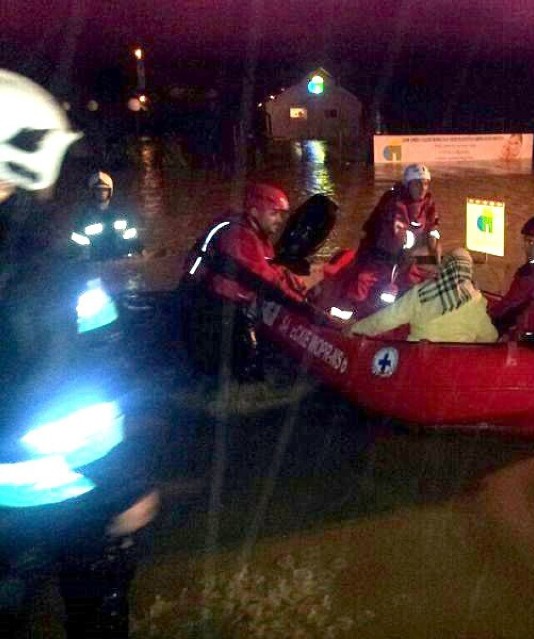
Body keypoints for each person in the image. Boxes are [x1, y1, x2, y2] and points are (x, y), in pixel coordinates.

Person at [1, 69, 158, 638]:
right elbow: (55, 394)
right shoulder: (43, 266)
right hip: (60, 490)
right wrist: (123, 483)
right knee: (97, 608)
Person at [182, 182, 306, 379]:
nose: (280, 220)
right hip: (208, 309)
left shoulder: (252, 233)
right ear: (255, 212)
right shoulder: (236, 235)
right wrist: (306, 308)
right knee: (244, 365)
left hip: (216, 305)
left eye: (282, 215)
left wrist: (295, 283)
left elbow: (269, 268)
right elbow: (265, 280)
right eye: (274, 214)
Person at [345, 163, 441, 316]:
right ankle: (352, 315)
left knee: (423, 277)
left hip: (407, 254)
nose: (422, 188)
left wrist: (434, 255)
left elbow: (432, 228)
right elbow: (397, 232)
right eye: (417, 184)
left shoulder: (428, 201)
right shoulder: (395, 201)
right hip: (382, 253)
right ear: (408, 185)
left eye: (425, 183)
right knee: (367, 281)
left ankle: (406, 311)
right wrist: (413, 250)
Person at [349, 248, 497, 343]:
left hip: (418, 359)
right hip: (454, 366)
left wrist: (354, 329)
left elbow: (386, 319)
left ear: (445, 267)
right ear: (468, 271)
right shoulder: (475, 302)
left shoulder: (422, 293)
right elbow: (490, 337)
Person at [69, 171, 143, 260]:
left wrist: (140, 250)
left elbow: (132, 237)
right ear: (92, 192)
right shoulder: (85, 217)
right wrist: (76, 256)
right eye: (98, 190)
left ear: (110, 191)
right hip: (94, 262)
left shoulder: (121, 215)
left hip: (120, 262)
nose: (101, 192)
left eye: (104, 189)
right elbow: (77, 242)